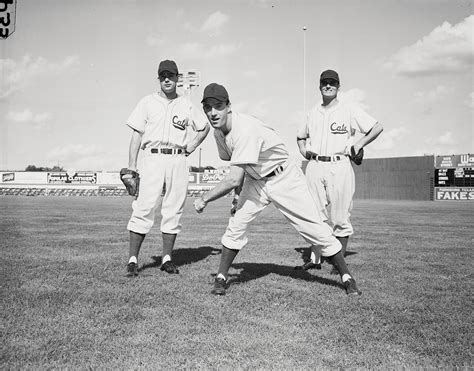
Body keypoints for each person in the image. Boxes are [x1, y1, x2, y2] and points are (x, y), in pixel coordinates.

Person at [193, 83, 361, 296]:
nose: (213, 112)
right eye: (208, 107)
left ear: (229, 106)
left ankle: (347, 277)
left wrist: (204, 199)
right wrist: (238, 198)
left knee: (313, 228)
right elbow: (232, 161)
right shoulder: (218, 132)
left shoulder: (244, 130)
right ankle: (221, 277)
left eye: (218, 106)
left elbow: (234, 178)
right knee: (236, 224)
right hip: (256, 181)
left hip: (284, 178)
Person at [124, 59, 210, 276]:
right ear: (159, 78)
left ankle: (167, 259)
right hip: (152, 157)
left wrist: (190, 147)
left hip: (177, 158)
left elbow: (204, 127)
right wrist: (131, 167)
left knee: (173, 208)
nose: (167, 79)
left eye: (170, 75)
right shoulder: (147, 102)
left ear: (177, 78)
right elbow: (136, 135)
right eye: (163, 75)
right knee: (144, 207)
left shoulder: (186, 104)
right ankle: (133, 260)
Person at [296, 69, 383, 270]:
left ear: (338, 87)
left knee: (340, 216)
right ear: (319, 86)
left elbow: (376, 127)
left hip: (340, 163)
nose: (328, 86)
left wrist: (359, 144)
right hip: (315, 165)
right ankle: (315, 260)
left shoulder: (349, 109)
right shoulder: (312, 112)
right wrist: (303, 151)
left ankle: (339, 264)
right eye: (325, 83)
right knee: (314, 215)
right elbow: (300, 136)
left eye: (332, 83)